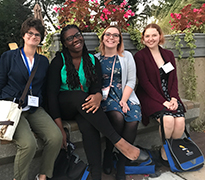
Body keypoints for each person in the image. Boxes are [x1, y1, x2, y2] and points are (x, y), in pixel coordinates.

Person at [46, 24, 149, 180]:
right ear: (64, 43)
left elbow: (96, 87)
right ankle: (120, 143)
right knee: (79, 95)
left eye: (77, 35)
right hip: (64, 105)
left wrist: (98, 96)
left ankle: (96, 175)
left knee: (90, 126)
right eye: (69, 38)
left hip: (83, 106)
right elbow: (51, 96)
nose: (75, 39)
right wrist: (60, 128)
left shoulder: (92, 60)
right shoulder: (58, 61)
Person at [0, 17, 62, 180]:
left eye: (38, 34)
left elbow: (44, 88)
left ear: (41, 39)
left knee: (56, 137)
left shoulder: (43, 61)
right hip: (11, 107)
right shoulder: (9, 57)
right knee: (28, 145)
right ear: (23, 35)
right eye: (30, 32)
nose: (33, 36)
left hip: (34, 108)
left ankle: (43, 176)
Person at [134, 23, 186, 166]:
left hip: (169, 95)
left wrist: (174, 98)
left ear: (160, 36)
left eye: (154, 35)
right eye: (147, 36)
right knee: (168, 120)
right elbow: (144, 83)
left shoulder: (168, 54)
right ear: (143, 39)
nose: (151, 39)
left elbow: (174, 79)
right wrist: (163, 102)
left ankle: (170, 152)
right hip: (150, 96)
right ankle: (165, 155)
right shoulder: (140, 56)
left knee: (180, 122)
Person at [95, 25, 141, 180]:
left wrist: (124, 100)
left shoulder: (126, 56)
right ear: (103, 38)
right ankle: (108, 152)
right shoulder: (96, 58)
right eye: (108, 34)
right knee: (117, 117)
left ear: (120, 39)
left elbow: (131, 80)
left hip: (126, 95)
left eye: (115, 35)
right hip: (106, 97)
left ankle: (121, 163)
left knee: (132, 120)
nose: (111, 38)